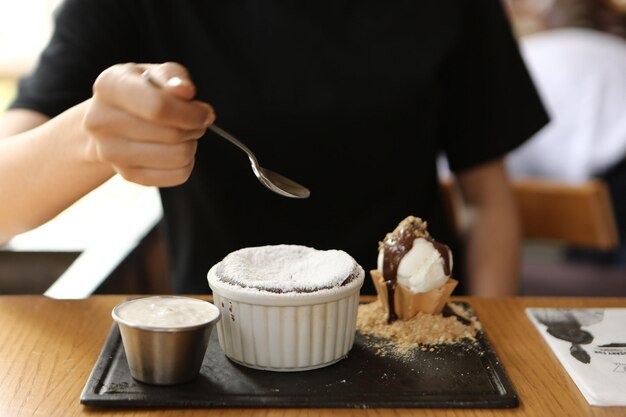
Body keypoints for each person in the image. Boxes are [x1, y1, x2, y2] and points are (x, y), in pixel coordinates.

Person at [0, 0, 548, 296]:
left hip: (405, 321)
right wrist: (89, 139)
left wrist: (488, 331)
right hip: (219, 339)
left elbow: (488, 200)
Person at [505, 0, 626, 265]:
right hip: (606, 156)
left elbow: (487, 192)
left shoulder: (504, 70)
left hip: (615, 160)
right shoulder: (531, 51)